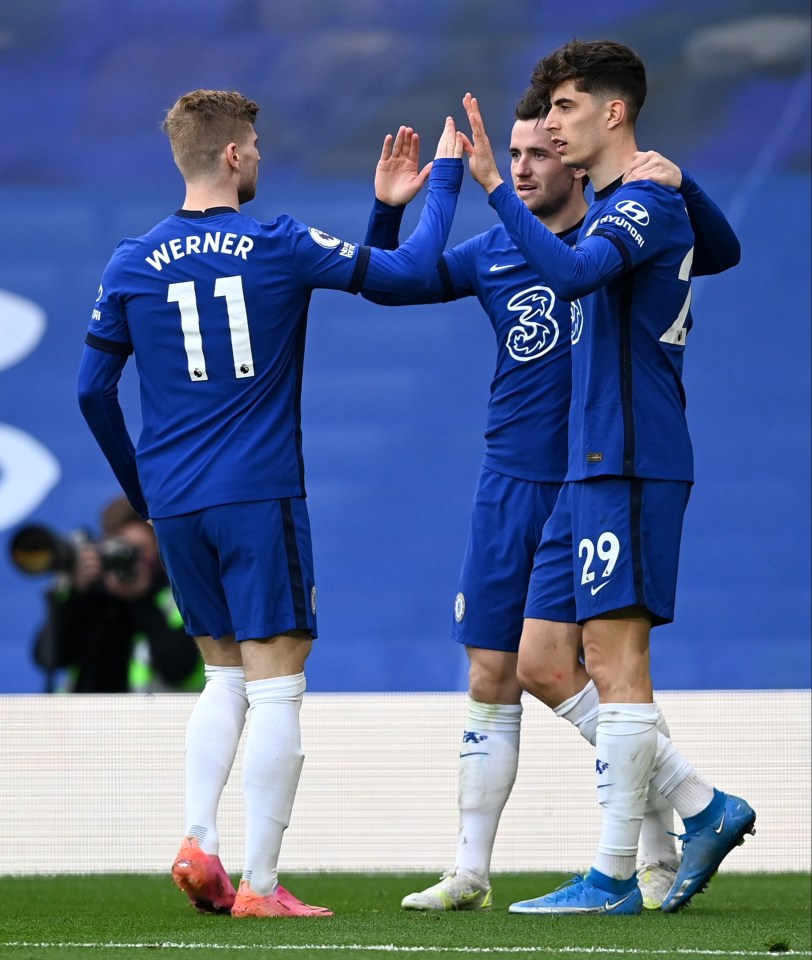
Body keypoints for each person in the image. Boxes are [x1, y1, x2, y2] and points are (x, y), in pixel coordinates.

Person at [78, 89, 464, 918]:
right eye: (252, 143)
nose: (258, 154)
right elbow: (406, 280)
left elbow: (92, 391)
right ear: (230, 156)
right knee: (279, 685)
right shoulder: (276, 240)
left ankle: (200, 841)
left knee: (222, 677)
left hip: (177, 506)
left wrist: (143, 494)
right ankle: (259, 884)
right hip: (258, 494)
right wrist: (441, 186)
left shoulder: (131, 260)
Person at [364, 87, 741, 912]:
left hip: (593, 468)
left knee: (608, 666)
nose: (529, 165)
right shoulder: (498, 251)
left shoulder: (614, 238)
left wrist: (680, 185)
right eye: (520, 153)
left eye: (543, 149)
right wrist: (401, 209)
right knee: (500, 668)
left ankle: (647, 856)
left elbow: (712, 251)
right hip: (512, 480)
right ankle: (471, 869)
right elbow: (393, 282)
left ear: (574, 155)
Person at [461, 40, 755, 916]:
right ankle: (703, 807)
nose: (549, 127)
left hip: (629, 456)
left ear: (612, 113)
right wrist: (686, 181)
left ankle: (614, 874)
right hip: (584, 465)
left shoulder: (636, 211)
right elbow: (726, 249)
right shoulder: (646, 200)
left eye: (564, 109)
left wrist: (489, 189)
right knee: (543, 659)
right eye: (547, 111)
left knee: (616, 660)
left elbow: (575, 272)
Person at [28, 495, 203, 693]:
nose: (127, 558)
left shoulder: (178, 597)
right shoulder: (92, 594)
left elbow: (180, 670)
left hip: (147, 720)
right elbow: (47, 658)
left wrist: (142, 599)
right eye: (119, 548)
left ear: (159, 551)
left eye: (139, 551)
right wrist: (75, 596)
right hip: (80, 719)